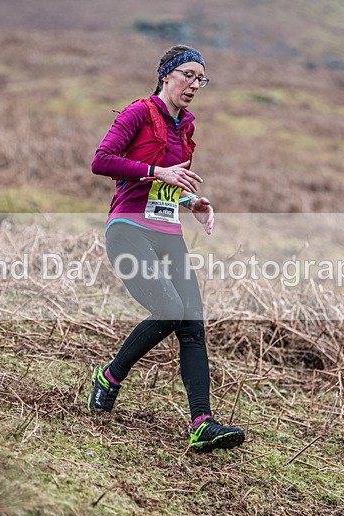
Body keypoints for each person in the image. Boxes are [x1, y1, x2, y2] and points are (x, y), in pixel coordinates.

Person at [88, 44, 245, 453]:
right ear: (166, 75)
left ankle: (202, 422)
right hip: (128, 229)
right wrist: (158, 170)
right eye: (188, 75)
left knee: (192, 324)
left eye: (201, 79)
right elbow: (101, 160)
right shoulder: (138, 111)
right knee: (171, 311)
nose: (195, 84)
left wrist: (192, 202)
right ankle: (109, 377)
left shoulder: (186, 128)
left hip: (167, 233)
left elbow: (171, 186)